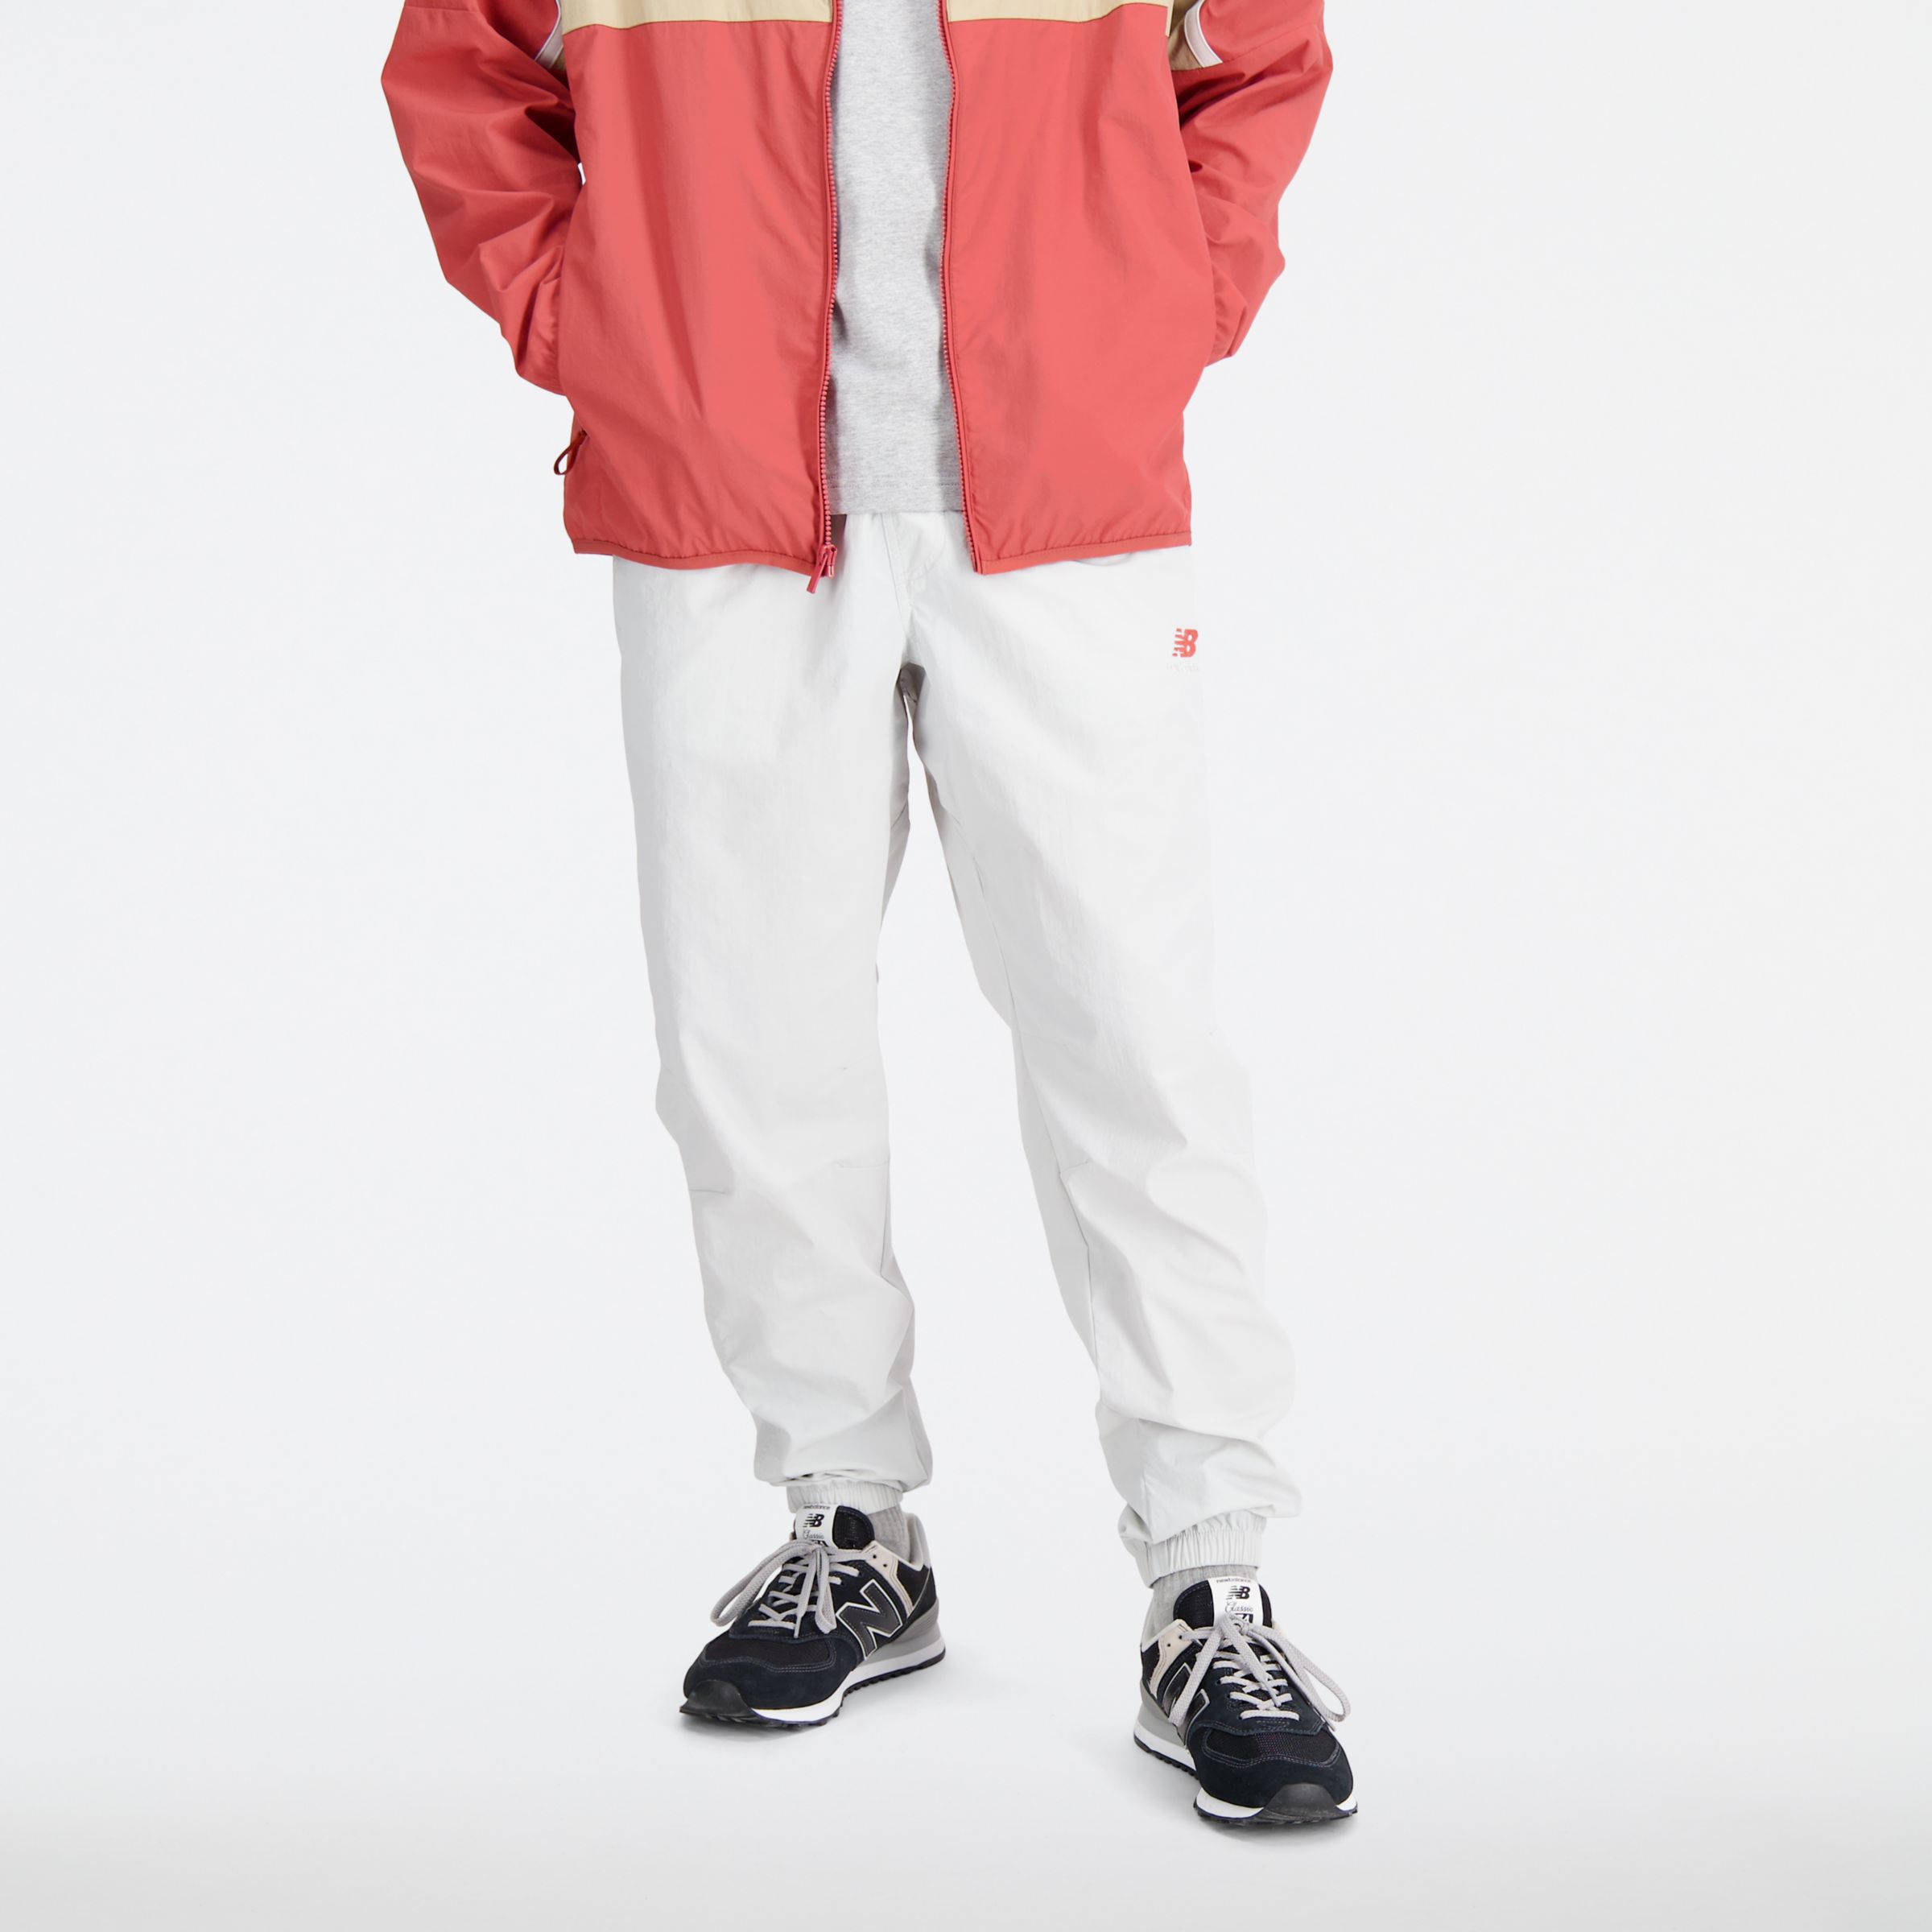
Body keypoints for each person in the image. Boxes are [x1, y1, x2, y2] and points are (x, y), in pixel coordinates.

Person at [383, 0, 1351, 1827]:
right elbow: (463, 68)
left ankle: (1211, 1573)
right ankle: (848, 1527)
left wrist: (1156, 308)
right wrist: (598, 334)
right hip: (723, 503)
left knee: (1132, 1040)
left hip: (1061, 501)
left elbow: (1261, 57)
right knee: (753, 1048)